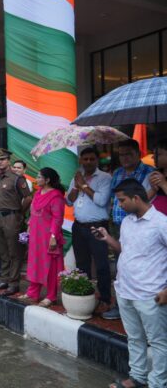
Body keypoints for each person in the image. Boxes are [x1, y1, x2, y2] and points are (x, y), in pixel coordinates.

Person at [93, 179, 167, 388]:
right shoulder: (127, 221)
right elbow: (125, 250)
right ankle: (137, 377)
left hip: (150, 294)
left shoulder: (161, 223)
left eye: (122, 200)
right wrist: (107, 238)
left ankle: (158, 383)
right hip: (125, 290)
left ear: (136, 198)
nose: (119, 205)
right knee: (135, 338)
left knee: (159, 342)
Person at [104, 139, 155, 320]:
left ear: (138, 154)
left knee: (138, 266)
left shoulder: (149, 173)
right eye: (121, 154)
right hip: (119, 225)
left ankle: (140, 306)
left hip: (140, 226)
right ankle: (121, 305)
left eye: (128, 154)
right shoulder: (118, 172)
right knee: (121, 266)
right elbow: (113, 199)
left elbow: (146, 200)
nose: (124, 158)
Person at [66, 147, 112, 312]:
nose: (88, 162)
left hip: (98, 226)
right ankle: (84, 297)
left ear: (97, 160)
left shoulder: (105, 177)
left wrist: (84, 185)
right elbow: (69, 201)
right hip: (79, 226)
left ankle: (105, 299)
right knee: (81, 264)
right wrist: (76, 186)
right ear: (80, 160)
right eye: (85, 159)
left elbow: (101, 200)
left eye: (92, 159)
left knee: (101, 265)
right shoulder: (77, 177)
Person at [19, 168, 65, 307]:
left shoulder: (56, 196)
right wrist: (29, 226)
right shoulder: (38, 193)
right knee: (35, 263)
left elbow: (58, 218)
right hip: (35, 235)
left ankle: (51, 296)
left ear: (47, 180)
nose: (36, 179)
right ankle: (33, 293)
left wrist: (53, 236)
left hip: (48, 236)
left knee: (50, 266)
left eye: (39, 177)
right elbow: (33, 213)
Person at [0, 148, 32, 296]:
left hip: (12, 217)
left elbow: (28, 197)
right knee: (3, 251)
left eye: (2, 159)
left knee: (14, 252)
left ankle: (14, 284)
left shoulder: (17, 178)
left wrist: (20, 212)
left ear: (8, 161)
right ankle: (5, 279)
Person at [148, 139, 167, 215]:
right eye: (154, 154)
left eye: (158, 154)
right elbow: (144, 201)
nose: (153, 157)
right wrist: (153, 189)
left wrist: (163, 184)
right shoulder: (157, 173)